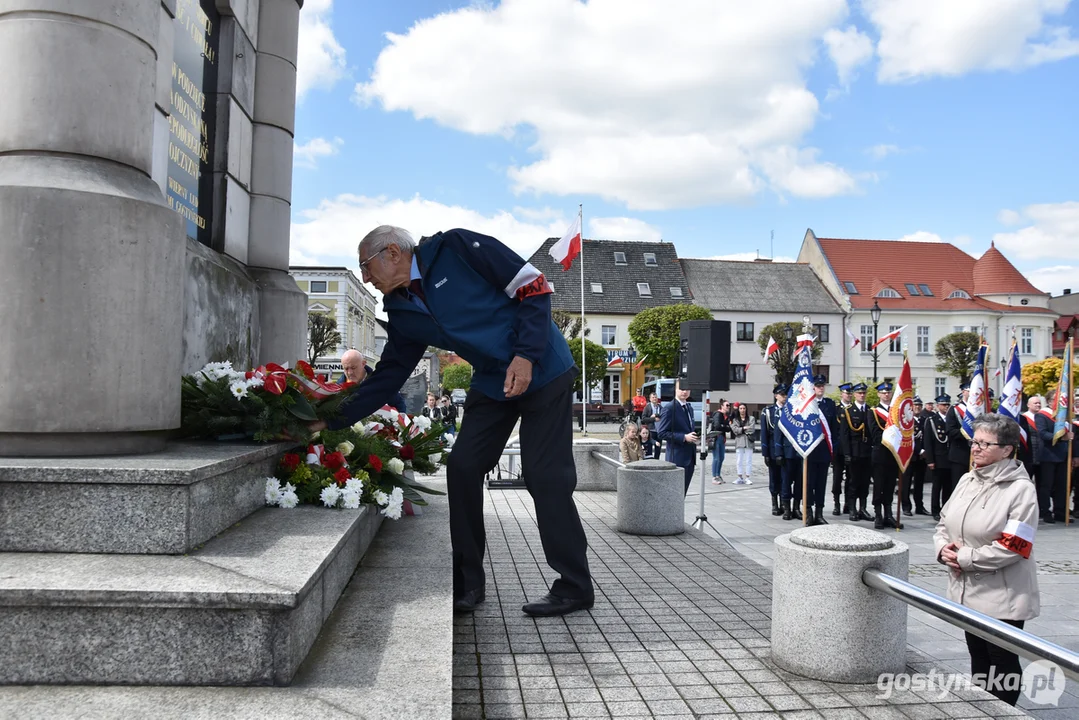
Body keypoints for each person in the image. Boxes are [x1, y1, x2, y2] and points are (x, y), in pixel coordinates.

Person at [309, 225, 593, 617]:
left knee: (546, 476)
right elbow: (389, 375)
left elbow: (534, 287)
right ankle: (468, 582)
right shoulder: (400, 306)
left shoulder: (456, 249)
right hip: (494, 381)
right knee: (462, 467)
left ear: (392, 252)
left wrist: (525, 355)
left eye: (366, 266)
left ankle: (575, 586)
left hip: (542, 367)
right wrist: (329, 420)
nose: (366, 278)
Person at [934, 413, 1040, 707]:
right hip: (968, 590)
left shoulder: (1020, 490)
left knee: (1001, 663)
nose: (976, 448)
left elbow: (1014, 545)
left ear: (1007, 449)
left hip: (1002, 594)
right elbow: (944, 522)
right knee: (978, 658)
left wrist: (965, 557)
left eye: (985, 443)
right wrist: (943, 548)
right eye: (974, 442)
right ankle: (984, 709)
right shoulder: (968, 479)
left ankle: (1003, 711)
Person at [1034, 388, 1074, 524]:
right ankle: (1045, 511)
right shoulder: (1042, 415)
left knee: (1062, 486)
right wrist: (1061, 438)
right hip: (1048, 455)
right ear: (1050, 401)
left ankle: (1060, 511)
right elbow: (1043, 433)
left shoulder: (1065, 416)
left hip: (1063, 456)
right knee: (1047, 485)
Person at [868, 381, 903, 529]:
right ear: (878, 394)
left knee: (890, 485)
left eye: (888, 392)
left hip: (894, 454)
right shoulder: (873, 411)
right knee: (879, 485)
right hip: (880, 453)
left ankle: (888, 514)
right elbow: (875, 434)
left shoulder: (896, 412)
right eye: (883, 392)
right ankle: (878, 515)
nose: (886, 394)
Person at [838, 382, 874, 522]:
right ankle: (852, 508)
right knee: (853, 481)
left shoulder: (870, 410)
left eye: (864, 393)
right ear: (854, 395)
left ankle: (863, 508)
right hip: (854, 451)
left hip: (867, 452)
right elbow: (844, 435)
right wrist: (847, 453)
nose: (862, 395)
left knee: (865, 482)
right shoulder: (848, 411)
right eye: (859, 393)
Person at [656, 379, 699, 495]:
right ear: (675, 389)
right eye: (681, 389)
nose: (684, 392)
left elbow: (688, 429)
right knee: (674, 494)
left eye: (687, 389)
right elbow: (661, 432)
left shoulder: (689, 407)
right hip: (677, 457)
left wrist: (697, 437)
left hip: (690, 457)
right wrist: (684, 437)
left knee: (682, 493)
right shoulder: (670, 408)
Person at [338, 348, 407, 412]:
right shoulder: (337, 390)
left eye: (353, 367)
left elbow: (399, 405)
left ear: (363, 363)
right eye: (346, 368)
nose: (350, 372)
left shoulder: (380, 383)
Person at [924, 394, 953, 521]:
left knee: (948, 486)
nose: (946, 407)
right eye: (943, 405)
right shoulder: (932, 420)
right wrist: (930, 460)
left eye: (947, 404)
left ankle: (945, 508)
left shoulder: (952, 419)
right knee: (937, 486)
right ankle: (935, 510)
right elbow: (928, 442)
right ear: (937, 406)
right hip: (938, 457)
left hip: (950, 458)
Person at [759, 385, 787, 516]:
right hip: (772, 449)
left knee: (784, 477)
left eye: (785, 394)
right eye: (782, 394)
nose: (784, 397)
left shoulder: (789, 410)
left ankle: (784, 502)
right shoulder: (768, 411)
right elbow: (764, 433)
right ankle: (774, 503)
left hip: (786, 449)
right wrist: (765, 453)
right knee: (774, 477)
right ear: (776, 395)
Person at [902, 397, 929, 517]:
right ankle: (906, 506)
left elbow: (927, 438)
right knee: (906, 483)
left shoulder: (925, 420)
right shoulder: (907, 421)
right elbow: (907, 439)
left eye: (919, 405)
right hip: (910, 456)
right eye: (915, 405)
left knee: (919, 483)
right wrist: (920, 450)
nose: (917, 407)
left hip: (922, 457)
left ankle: (919, 506)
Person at [946, 382, 973, 493]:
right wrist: (968, 434)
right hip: (960, 453)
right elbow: (950, 431)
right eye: (970, 391)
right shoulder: (955, 409)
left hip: (978, 454)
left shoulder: (980, 409)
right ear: (963, 392)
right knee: (958, 487)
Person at [831, 382, 853, 516]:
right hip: (838, 449)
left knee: (851, 478)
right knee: (837, 478)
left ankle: (848, 504)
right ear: (841, 394)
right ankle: (836, 503)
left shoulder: (854, 409)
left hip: (851, 449)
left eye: (850, 393)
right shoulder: (836, 410)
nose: (849, 395)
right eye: (847, 393)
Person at [729, 403, 756, 484]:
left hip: (748, 441)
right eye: (740, 408)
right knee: (739, 460)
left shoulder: (751, 418)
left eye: (744, 408)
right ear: (738, 409)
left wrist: (740, 430)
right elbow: (734, 430)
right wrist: (744, 428)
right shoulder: (735, 420)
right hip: (739, 441)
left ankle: (747, 477)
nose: (742, 410)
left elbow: (751, 429)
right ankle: (739, 477)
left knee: (748, 460)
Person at [709, 399, 732, 484]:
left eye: (729, 405)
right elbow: (718, 426)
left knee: (721, 457)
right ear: (722, 406)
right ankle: (714, 476)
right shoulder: (718, 414)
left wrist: (725, 426)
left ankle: (718, 475)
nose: (728, 407)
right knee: (716, 458)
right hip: (716, 437)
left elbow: (729, 428)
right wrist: (725, 426)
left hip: (722, 437)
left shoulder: (725, 415)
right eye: (727, 405)